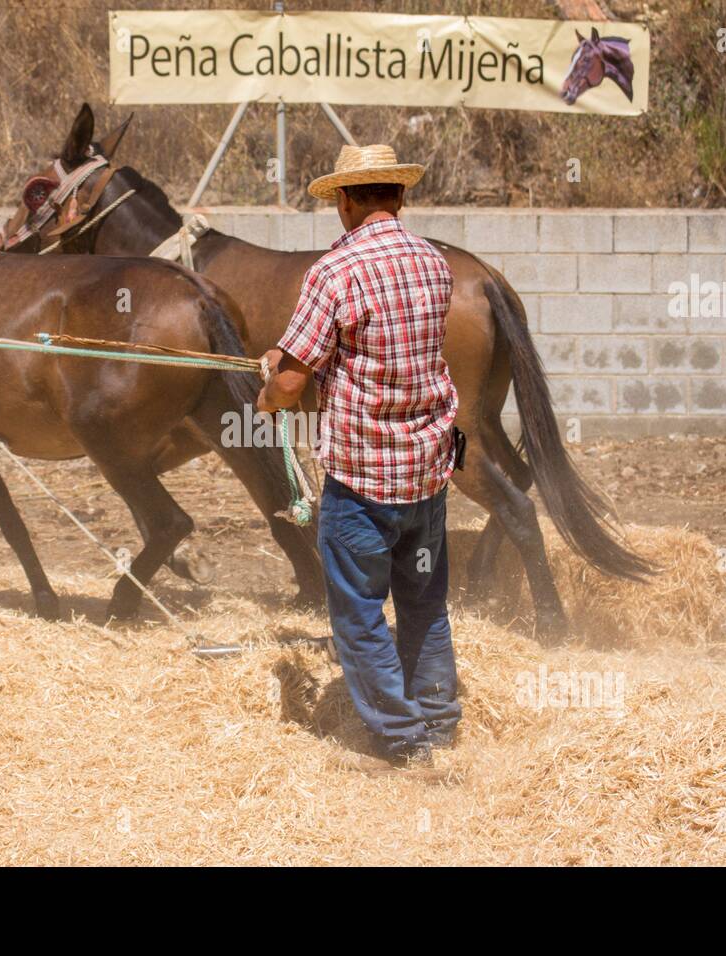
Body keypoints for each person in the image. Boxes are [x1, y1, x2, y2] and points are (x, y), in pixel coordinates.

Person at [256, 144, 461, 769]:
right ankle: (440, 724)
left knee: (360, 613)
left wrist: (267, 391)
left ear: (344, 200)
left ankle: (401, 743)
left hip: (362, 480)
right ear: (398, 196)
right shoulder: (434, 263)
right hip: (426, 473)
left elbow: (291, 383)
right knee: (423, 604)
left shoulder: (335, 272)